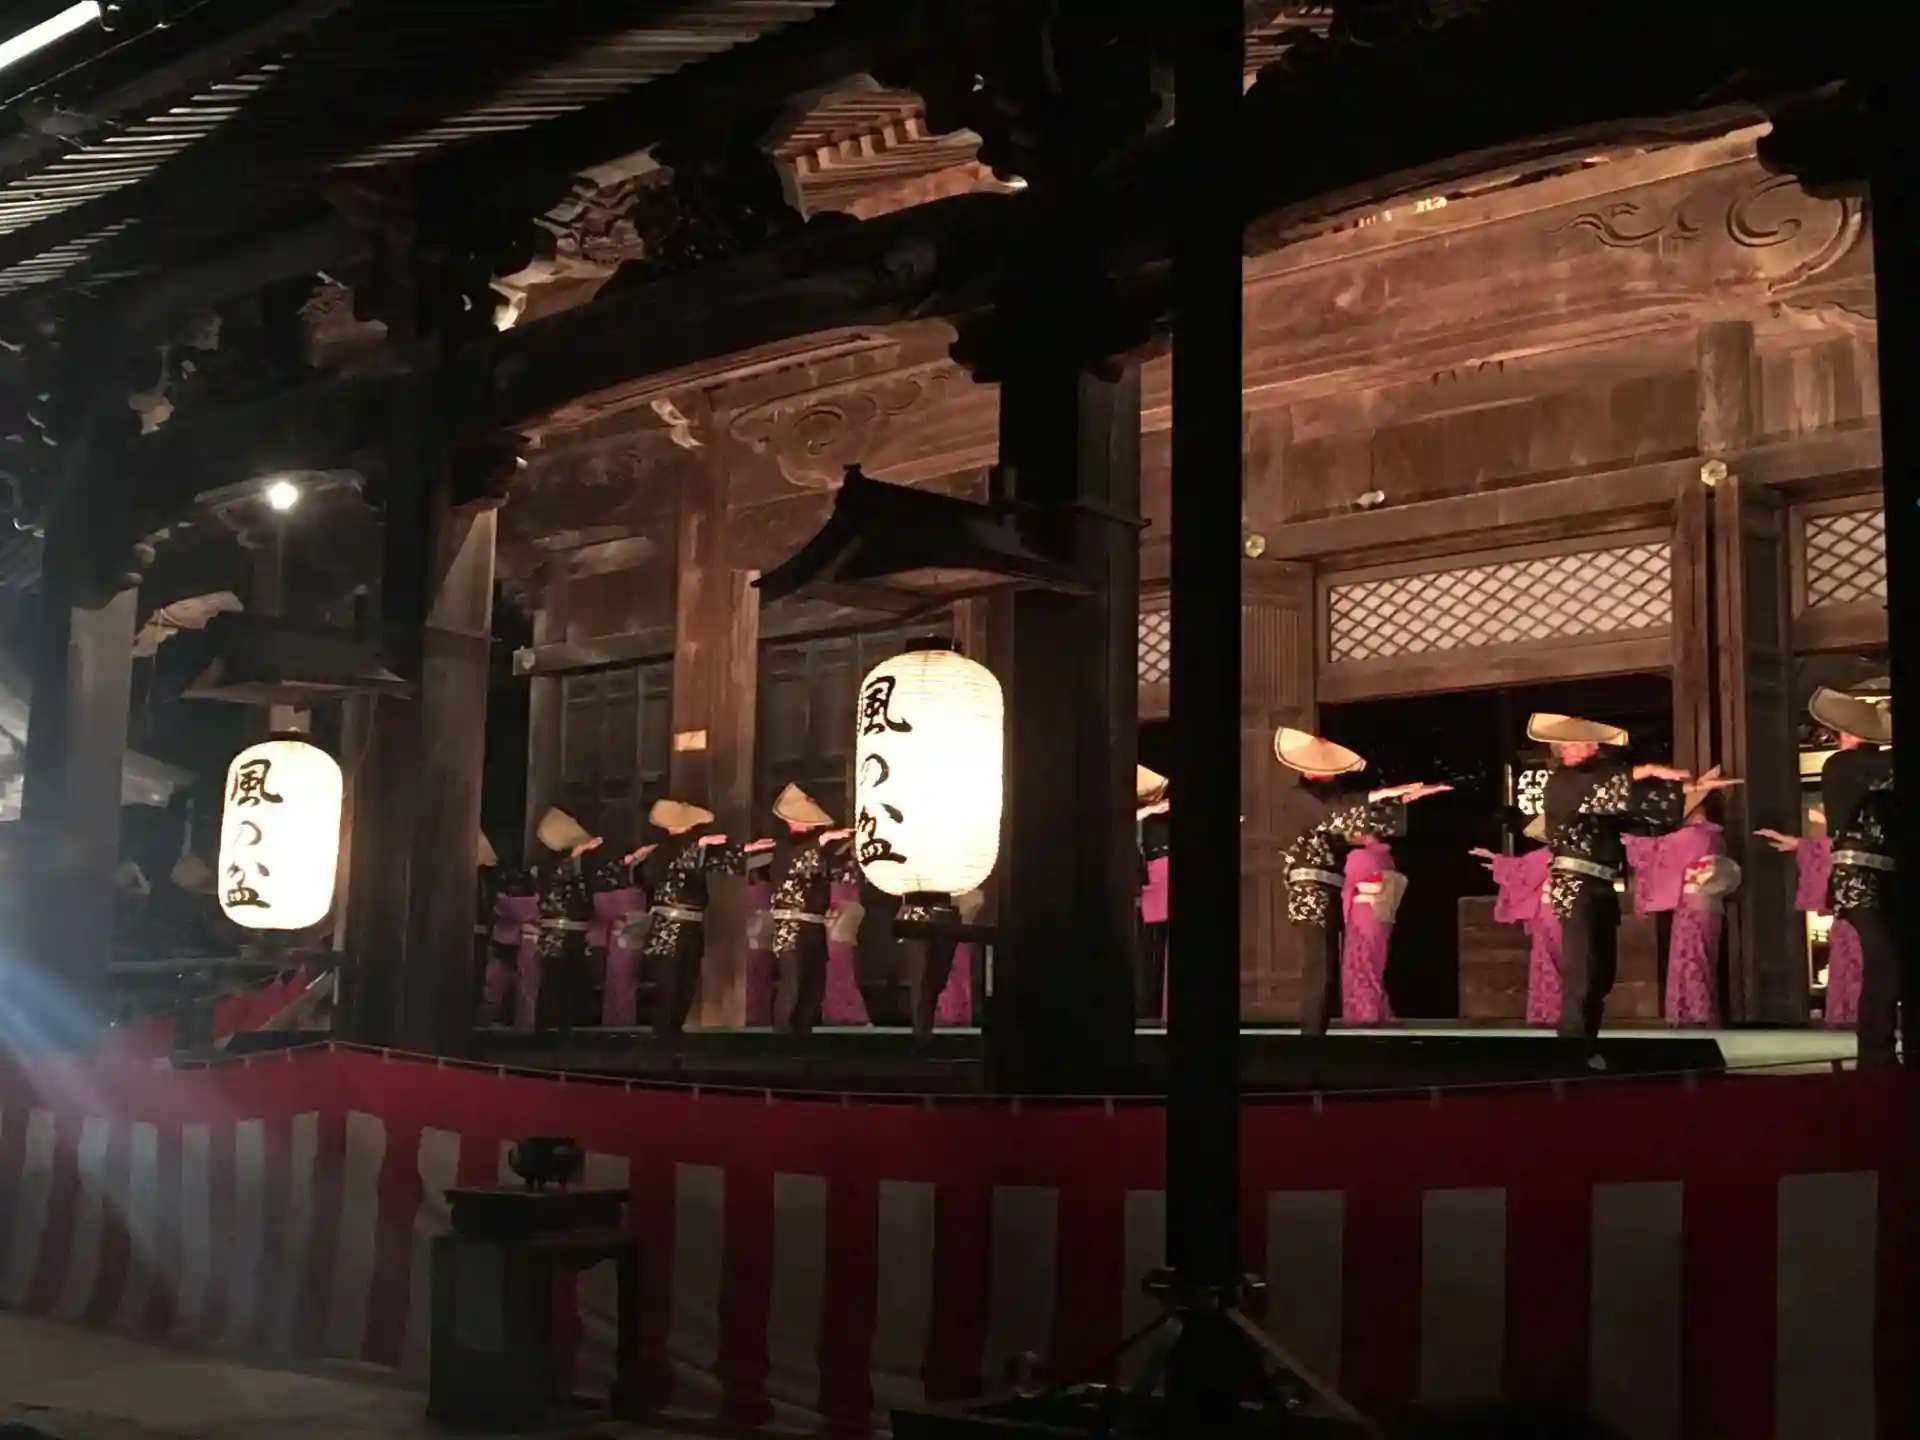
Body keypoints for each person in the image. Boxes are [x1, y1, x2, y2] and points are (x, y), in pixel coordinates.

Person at [1527, 713, 1704, 1049]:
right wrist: (1648, 770)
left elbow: (1630, 805)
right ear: (1564, 749)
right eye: (1579, 744)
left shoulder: (1597, 790)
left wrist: (1691, 790)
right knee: (1583, 966)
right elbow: (1603, 785)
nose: (1590, 749)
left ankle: (1587, 1038)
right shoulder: (1563, 782)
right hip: (1575, 883)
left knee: (1601, 969)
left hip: (1600, 882)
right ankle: (1573, 1043)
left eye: (1589, 744)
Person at [1273, 727, 1450, 1036]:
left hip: (1329, 887)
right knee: (1319, 963)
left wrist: (1403, 799)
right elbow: (1337, 814)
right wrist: (1379, 795)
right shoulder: (1299, 797)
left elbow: (1358, 816)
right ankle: (1310, 1036)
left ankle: (1316, 1033)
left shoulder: (1329, 799)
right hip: (1309, 890)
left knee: (1327, 964)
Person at [1761, 686, 1896, 1062]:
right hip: (1859, 881)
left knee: (1891, 962)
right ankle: (1876, 1053)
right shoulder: (1842, 765)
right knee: (1884, 962)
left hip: (1889, 878)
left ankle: (1883, 1050)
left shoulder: (1877, 767)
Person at [1623, 767, 1744, 1027]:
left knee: (1690, 959)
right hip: (1708, 906)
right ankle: (1696, 1014)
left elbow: (1658, 850)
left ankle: (1693, 1015)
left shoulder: (1694, 834)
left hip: (1692, 906)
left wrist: (1629, 841)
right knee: (1699, 959)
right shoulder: (1714, 835)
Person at [743, 784, 859, 1036]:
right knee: (793, 983)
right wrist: (825, 839)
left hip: (814, 924)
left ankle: (803, 1036)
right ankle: (783, 1037)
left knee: (813, 985)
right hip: (790, 926)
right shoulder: (784, 848)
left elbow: (829, 867)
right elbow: (800, 856)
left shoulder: (816, 852)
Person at [622, 798, 743, 1037]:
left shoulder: (694, 849)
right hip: (667, 925)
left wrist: (744, 850)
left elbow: (722, 862)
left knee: (688, 979)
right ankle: (662, 1033)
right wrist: (698, 844)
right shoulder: (662, 851)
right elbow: (670, 863)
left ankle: (674, 1031)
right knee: (669, 981)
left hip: (692, 922)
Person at [1764, 806, 1863, 1027]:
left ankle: (1855, 1015)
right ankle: (1845, 1015)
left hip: (1863, 906)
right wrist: (1801, 844)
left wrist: (1801, 844)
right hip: (1846, 909)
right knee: (1844, 959)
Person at [1472, 815, 1560, 1025]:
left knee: (1549, 960)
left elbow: (1521, 872)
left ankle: (1550, 1012)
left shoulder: (1548, 855)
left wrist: (1496, 860)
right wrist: (1498, 861)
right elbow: (1522, 869)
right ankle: (1560, 1011)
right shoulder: (1564, 854)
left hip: (1551, 911)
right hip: (1566, 911)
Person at [528, 808, 603, 1031]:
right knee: (552, 980)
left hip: (576, 931)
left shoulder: (583, 864)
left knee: (573, 981)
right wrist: (576, 853)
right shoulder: (547, 864)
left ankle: (565, 1027)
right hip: (555, 932)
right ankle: (545, 1029)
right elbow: (555, 877)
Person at [1341, 832, 1404, 1023]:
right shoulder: (1387, 858)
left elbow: (1347, 885)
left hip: (1362, 912)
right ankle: (1376, 1007)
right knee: (1376, 959)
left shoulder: (1358, 856)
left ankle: (1365, 1009)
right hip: (1381, 913)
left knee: (1361, 958)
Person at [1136, 765, 1171, 1022]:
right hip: (1152, 870)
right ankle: (1148, 1005)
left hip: (1162, 867)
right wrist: (1149, 810)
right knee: (1151, 941)